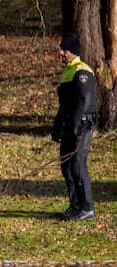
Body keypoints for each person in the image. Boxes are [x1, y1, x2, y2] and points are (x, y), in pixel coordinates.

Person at [52, 36, 97, 221]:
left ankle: (87, 207)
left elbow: (83, 102)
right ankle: (75, 205)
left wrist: (76, 127)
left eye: (64, 49)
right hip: (70, 126)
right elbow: (64, 105)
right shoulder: (67, 72)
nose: (61, 53)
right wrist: (57, 126)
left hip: (82, 126)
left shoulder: (82, 72)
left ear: (72, 51)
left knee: (77, 164)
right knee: (66, 166)